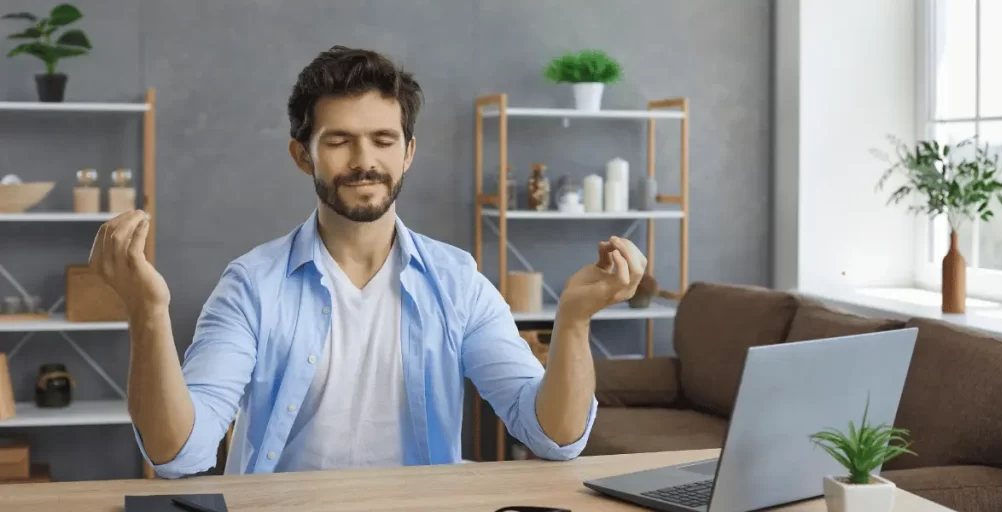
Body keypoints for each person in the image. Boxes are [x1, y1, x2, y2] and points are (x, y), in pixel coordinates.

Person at [88, 46, 646, 479]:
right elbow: (178, 454)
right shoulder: (251, 285)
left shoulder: (458, 282)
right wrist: (148, 313)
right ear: (301, 153)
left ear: (407, 151)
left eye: (383, 139)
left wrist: (573, 320)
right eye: (339, 141)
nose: (364, 161)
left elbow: (554, 437)